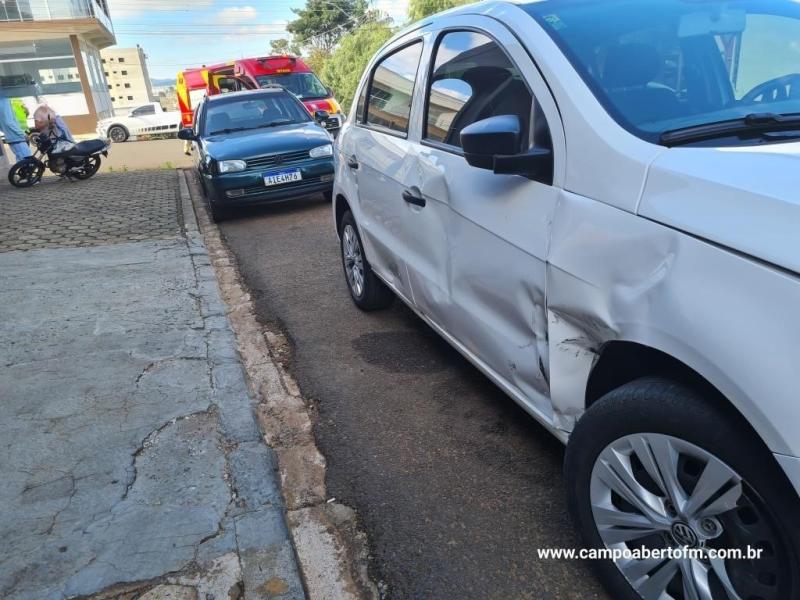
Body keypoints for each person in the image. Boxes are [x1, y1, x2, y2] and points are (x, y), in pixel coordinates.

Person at [0, 97, 32, 163]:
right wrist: (22, 134)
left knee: (21, 162)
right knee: (27, 161)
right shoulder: (4, 101)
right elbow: (9, 122)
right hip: (17, 137)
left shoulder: (4, 101)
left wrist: (6, 132)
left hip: (12, 137)